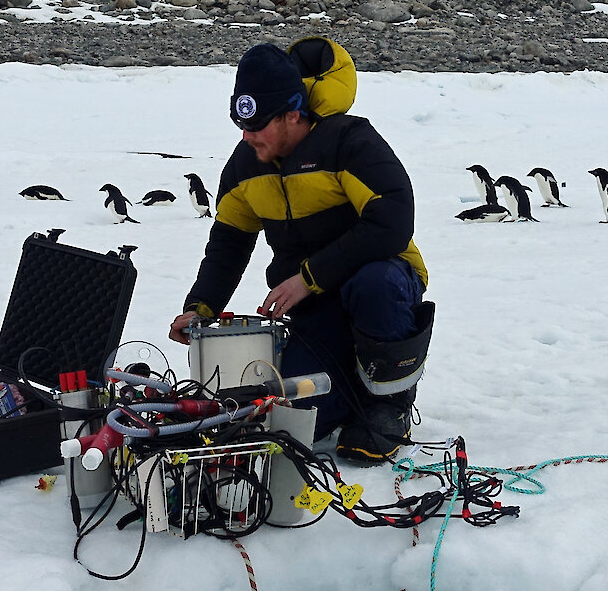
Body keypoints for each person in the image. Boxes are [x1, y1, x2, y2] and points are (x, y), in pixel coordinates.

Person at [169, 39, 434, 464]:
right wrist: (202, 306)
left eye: (257, 126)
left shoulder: (349, 142)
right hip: (314, 309)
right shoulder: (245, 165)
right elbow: (229, 242)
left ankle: (390, 407)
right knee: (292, 416)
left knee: (375, 284)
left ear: (293, 113)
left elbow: (394, 220)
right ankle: (351, 397)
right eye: (241, 124)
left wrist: (310, 277)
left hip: (381, 283)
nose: (246, 136)